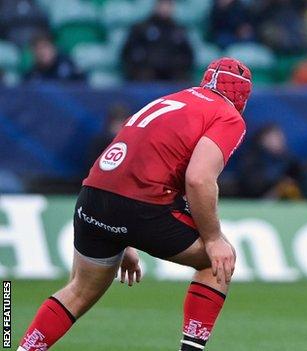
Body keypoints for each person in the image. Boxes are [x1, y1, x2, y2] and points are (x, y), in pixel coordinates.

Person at [17, 57, 252, 351]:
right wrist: (214, 238)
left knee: (78, 291)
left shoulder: (170, 100)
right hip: (141, 206)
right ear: (243, 96)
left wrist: (122, 236)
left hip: (93, 194)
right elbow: (198, 179)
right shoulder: (227, 115)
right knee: (218, 259)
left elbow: (125, 158)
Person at [121, 0, 194, 81]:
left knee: (182, 78)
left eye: (168, 5)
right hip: (147, 71)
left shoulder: (179, 29)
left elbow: (188, 55)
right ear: (156, 6)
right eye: (162, 4)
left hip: (172, 72)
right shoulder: (141, 28)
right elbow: (128, 52)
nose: (165, 8)